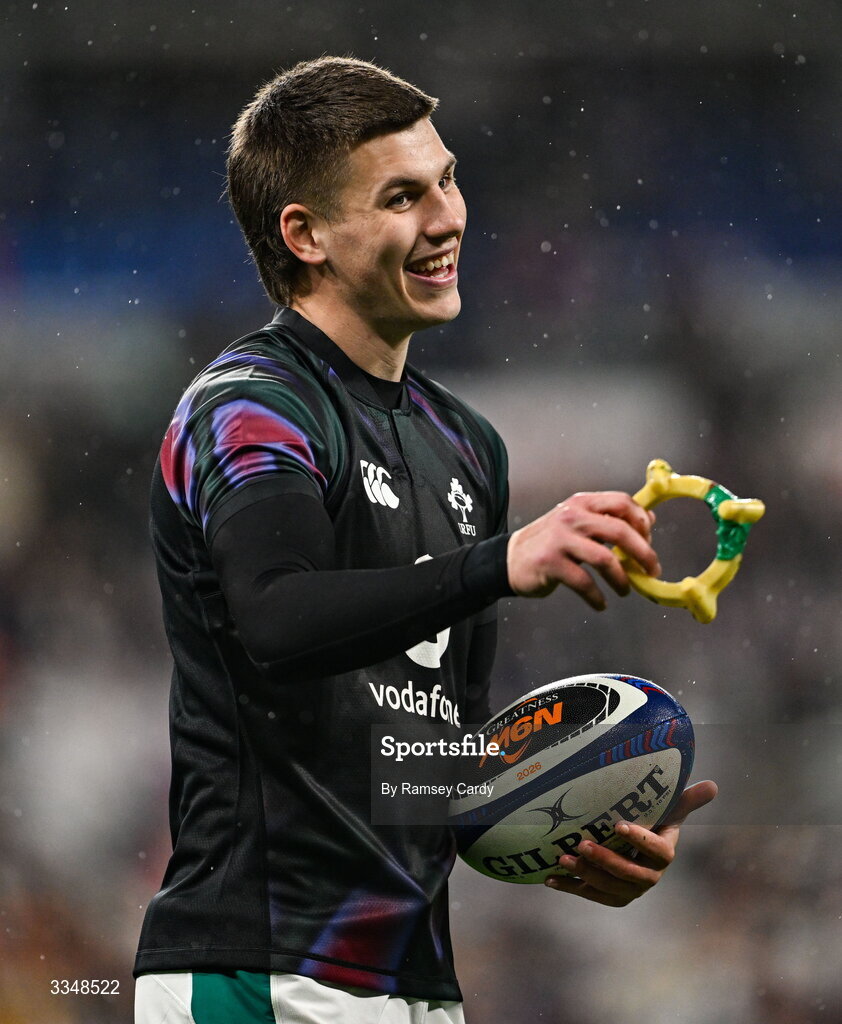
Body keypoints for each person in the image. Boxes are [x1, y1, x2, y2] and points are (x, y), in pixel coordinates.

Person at [133, 56, 716, 1024]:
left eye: (445, 180)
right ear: (304, 233)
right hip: (259, 970)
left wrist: (563, 828)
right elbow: (275, 620)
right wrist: (499, 561)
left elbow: (419, 750)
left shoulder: (464, 444)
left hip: (414, 985)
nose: (445, 218)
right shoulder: (249, 409)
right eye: (401, 196)